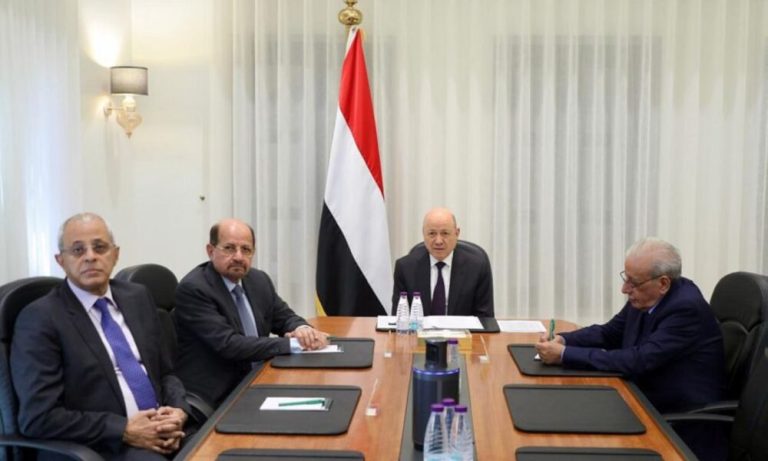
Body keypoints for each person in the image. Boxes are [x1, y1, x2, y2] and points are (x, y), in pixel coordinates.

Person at [11, 213, 189, 460]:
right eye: (78, 250)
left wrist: (178, 410)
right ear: (61, 260)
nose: (90, 256)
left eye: (99, 247)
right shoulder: (40, 318)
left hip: (162, 429)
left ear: (115, 254)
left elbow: (166, 372)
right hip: (102, 447)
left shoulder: (137, 297)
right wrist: (124, 430)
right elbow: (38, 417)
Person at [535, 237, 726, 460]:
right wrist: (563, 340)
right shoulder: (646, 296)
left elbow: (638, 360)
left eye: (633, 283)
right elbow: (610, 333)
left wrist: (564, 355)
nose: (625, 289)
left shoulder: (685, 308)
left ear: (663, 283)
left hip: (678, 423)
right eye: (626, 278)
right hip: (643, 398)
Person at [174, 218, 329, 407]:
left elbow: (284, 317)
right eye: (229, 248)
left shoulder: (258, 280)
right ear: (211, 251)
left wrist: (302, 330)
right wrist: (294, 344)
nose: (239, 257)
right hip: (219, 393)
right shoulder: (194, 289)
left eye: (246, 249)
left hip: (260, 378)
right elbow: (230, 344)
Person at [391, 207, 494, 317]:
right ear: (423, 234)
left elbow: (485, 319)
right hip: (419, 328)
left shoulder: (477, 267)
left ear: (457, 233)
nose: (438, 241)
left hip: (462, 329)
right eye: (432, 233)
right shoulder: (405, 268)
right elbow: (399, 317)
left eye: (445, 233)